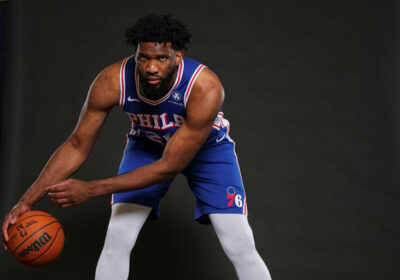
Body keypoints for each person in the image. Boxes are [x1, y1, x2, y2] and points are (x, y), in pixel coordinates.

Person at [2, 14, 272, 280]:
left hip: (208, 153)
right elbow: (76, 145)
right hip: (148, 145)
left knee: (238, 242)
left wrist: (90, 189)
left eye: (161, 58)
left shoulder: (204, 87)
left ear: (178, 57)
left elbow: (169, 167)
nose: (151, 68)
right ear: (136, 56)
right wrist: (26, 201)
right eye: (144, 58)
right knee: (118, 237)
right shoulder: (112, 81)